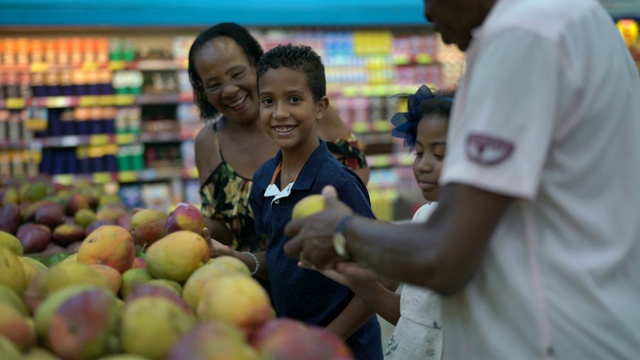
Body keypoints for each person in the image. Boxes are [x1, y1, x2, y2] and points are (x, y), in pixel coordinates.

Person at [283, 0, 640, 358]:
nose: (426, 13)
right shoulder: (580, 17)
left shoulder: (522, 35)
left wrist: (343, 231)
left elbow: (445, 256)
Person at [209, 43, 383, 360]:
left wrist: (328, 339)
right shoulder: (264, 179)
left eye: (294, 99)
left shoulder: (337, 184)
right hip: (291, 344)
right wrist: (234, 257)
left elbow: (378, 276)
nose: (279, 113)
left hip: (346, 348)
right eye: (268, 101)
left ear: (320, 106)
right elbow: (278, 256)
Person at [188, 22, 369, 252]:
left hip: (321, 266)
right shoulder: (207, 143)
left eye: (237, 74)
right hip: (244, 279)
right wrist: (186, 223)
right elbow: (224, 229)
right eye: (213, 85)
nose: (230, 90)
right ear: (202, 91)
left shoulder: (306, 113)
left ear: (257, 63)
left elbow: (357, 169)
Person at [312, 85, 453, 359]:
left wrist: (350, 227)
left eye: (439, 155)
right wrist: (356, 281)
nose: (423, 165)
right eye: (419, 152)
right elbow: (413, 315)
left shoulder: (485, 234)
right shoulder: (424, 216)